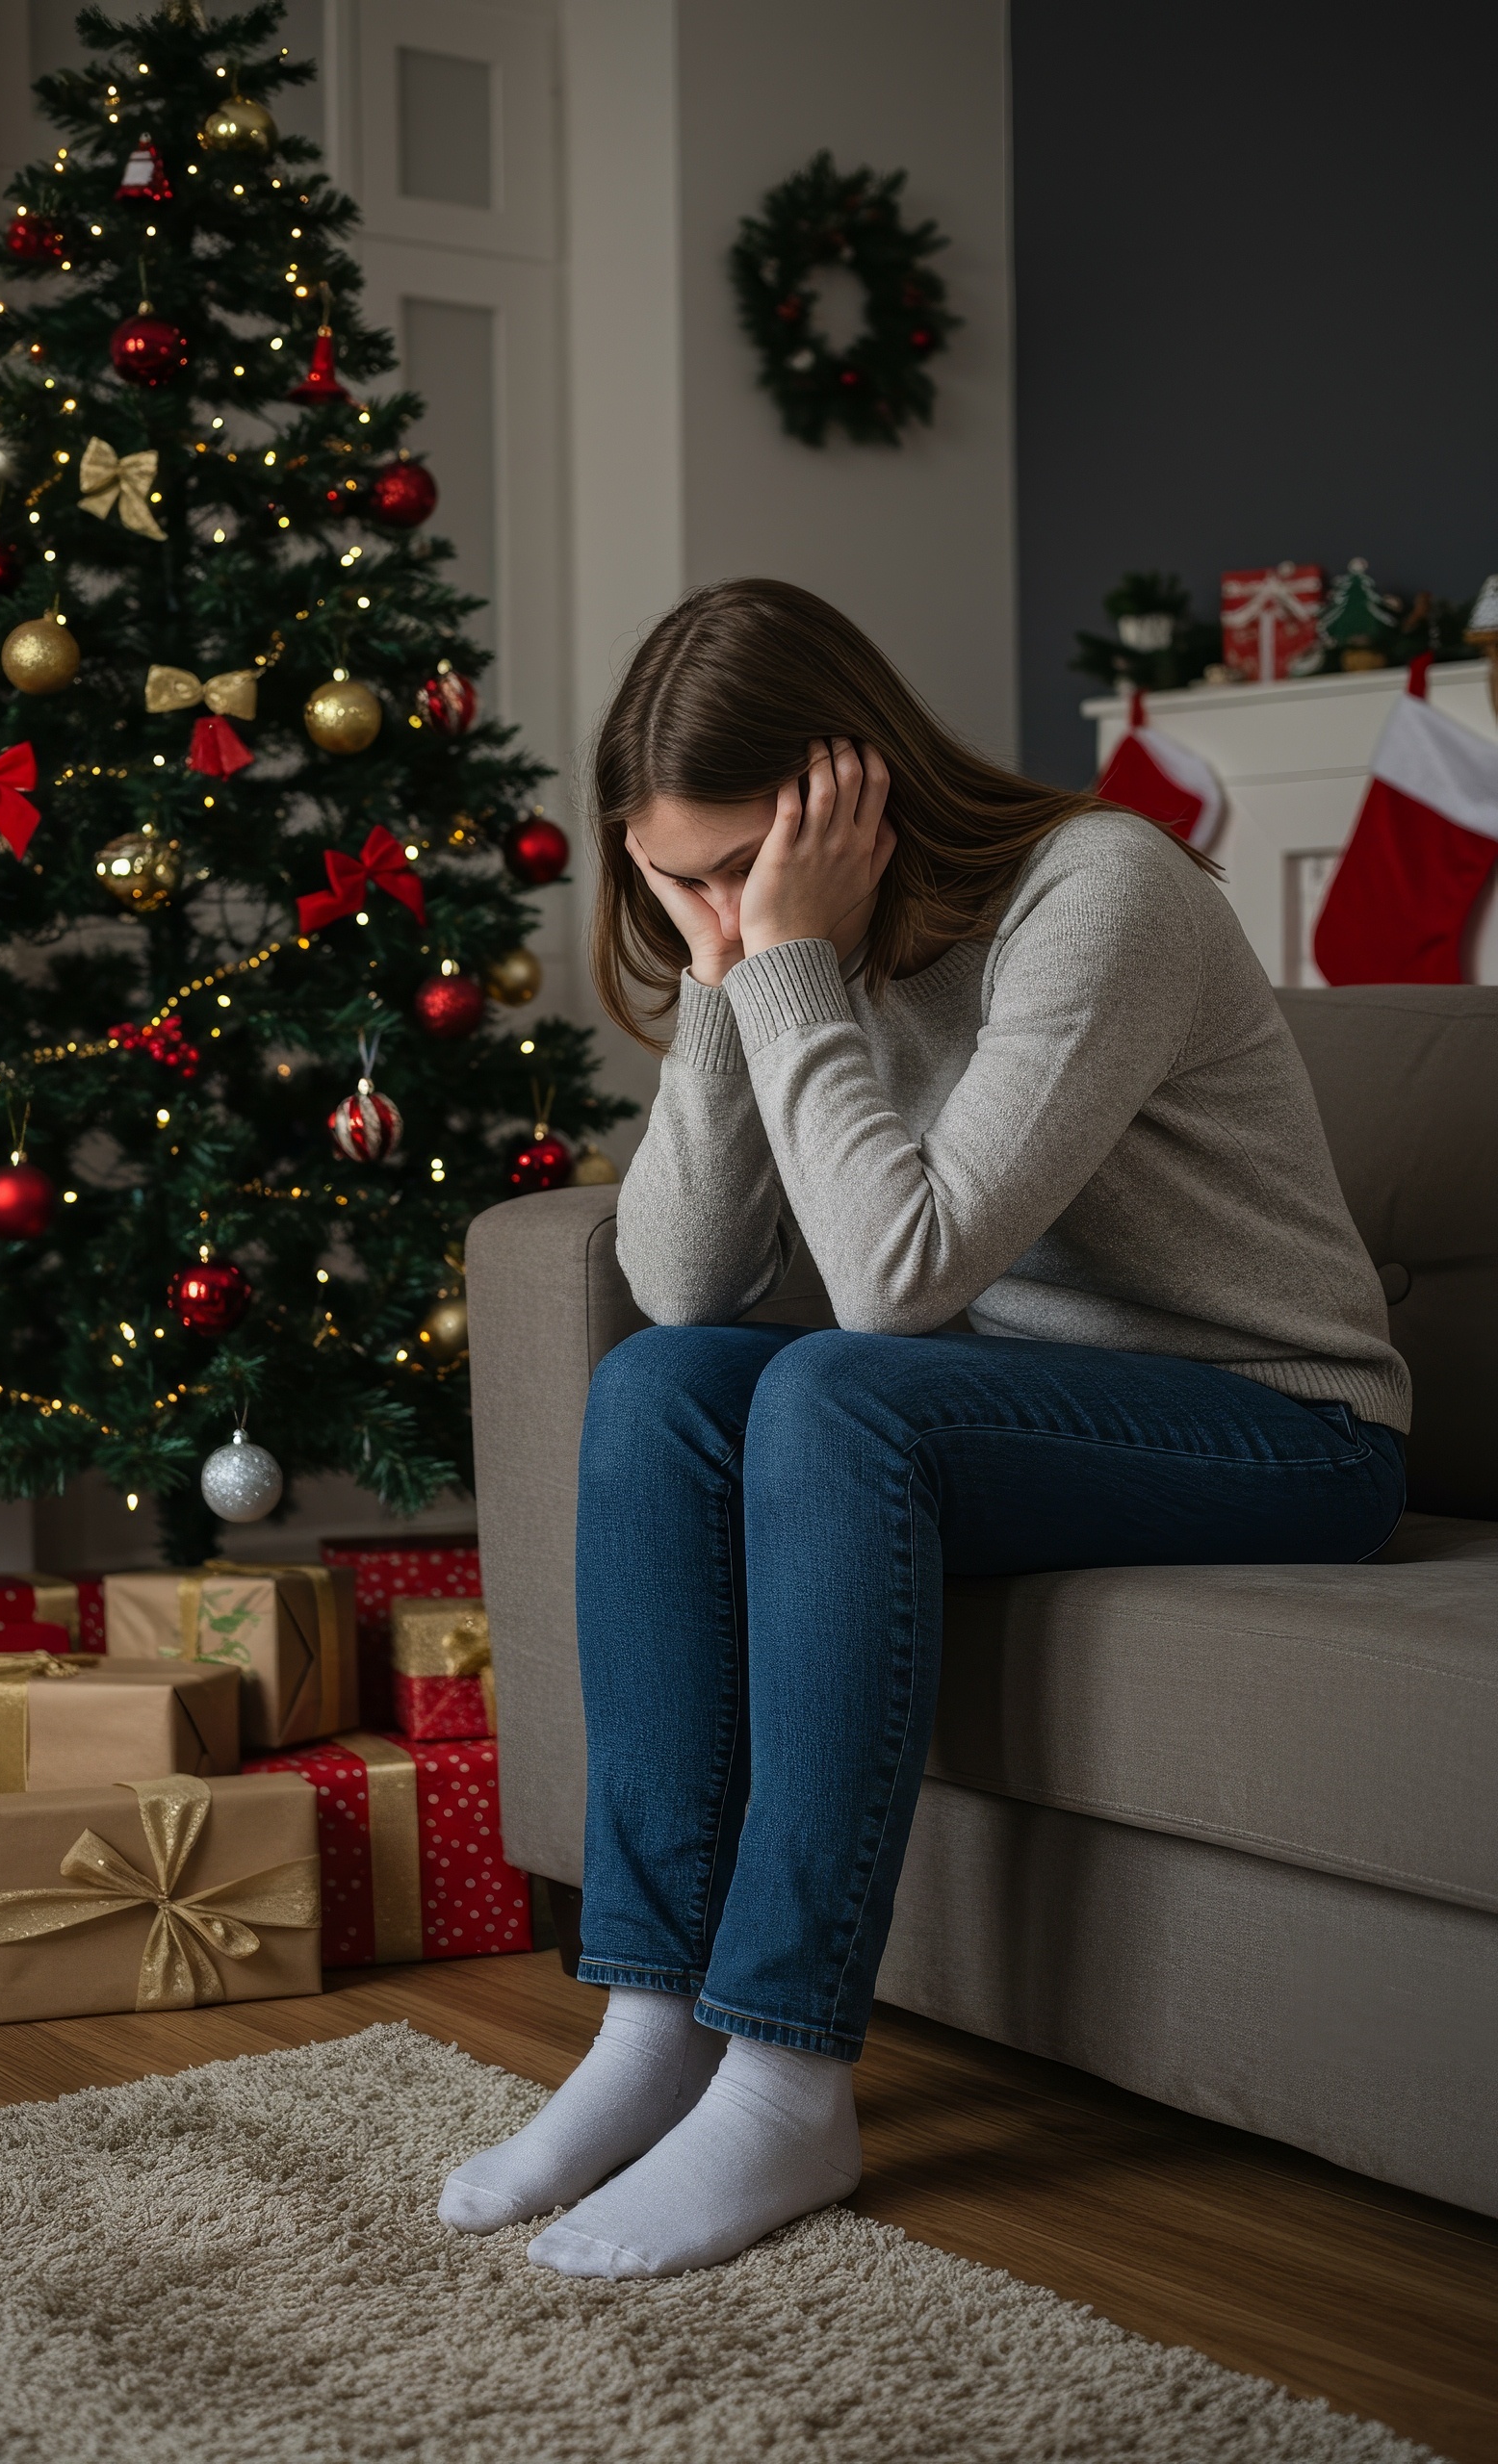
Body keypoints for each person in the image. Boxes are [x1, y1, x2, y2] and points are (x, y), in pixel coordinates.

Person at [439, 578, 1408, 2280]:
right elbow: (676, 1279)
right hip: (1023, 1412)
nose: (710, 908)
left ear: (851, 795)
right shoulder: (766, 943)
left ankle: (791, 2076)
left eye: (743, 863)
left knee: (831, 1385)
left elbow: (893, 1286)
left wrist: (790, 960)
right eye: (676, 875)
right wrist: (740, 981)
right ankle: (653, 2027)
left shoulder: (1098, 892)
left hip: (1282, 1428)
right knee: (663, 1389)